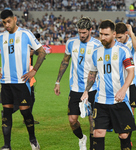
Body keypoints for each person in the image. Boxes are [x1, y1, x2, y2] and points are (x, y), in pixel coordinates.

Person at [81, 20, 136, 150]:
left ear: (114, 34)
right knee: (97, 133)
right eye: (101, 34)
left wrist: (123, 90)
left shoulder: (123, 50)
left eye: (106, 34)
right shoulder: (96, 52)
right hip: (101, 100)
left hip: (120, 100)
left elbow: (131, 72)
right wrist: (86, 91)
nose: (103, 37)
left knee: (123, 135)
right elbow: (92, 73)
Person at [0, 9, 46, 150]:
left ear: (15, 19)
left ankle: (33, 139)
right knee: (6, 113)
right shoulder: (2, 37)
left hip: (21, 82)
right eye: (4, 23)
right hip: (5, 82)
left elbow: (42, 52)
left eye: (8, 21)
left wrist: (33, 71)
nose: (7, 25)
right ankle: (7, 145)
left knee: (25, 112)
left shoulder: (25, 34)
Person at [54, 17, 101, 150]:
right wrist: (57, 81)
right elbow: (65, 61)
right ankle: (82, 138)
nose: (81, 35)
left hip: (93, 89)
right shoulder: (71, 42)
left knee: (93, 122)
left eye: (84, 33)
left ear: (90, 30)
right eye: (79, 32)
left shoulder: (97, 45)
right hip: (75, 88)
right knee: (72, 120)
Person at [115, 22, 136, 147]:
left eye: (120, 37)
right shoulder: (114, 45)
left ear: (126, 34)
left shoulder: (131, 43)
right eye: (116, 37)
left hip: (131, 83)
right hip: (118, 84)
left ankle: (127, 140)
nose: (118, 40)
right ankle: (123, 136)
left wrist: (131, 33)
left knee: (130, 113)